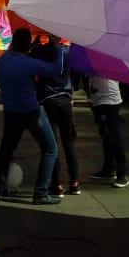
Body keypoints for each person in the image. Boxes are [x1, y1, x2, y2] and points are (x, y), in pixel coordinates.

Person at [0, 28, 65, 205]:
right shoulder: (29, 63)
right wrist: (57, 45)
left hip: (11, 112)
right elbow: (56, 69)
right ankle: (40, 192)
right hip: (32, 112)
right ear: (27, 44)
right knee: (50, 149)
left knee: (6, 151)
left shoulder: (4, 62)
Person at [32, 34, 81, 196]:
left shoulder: (41, 50)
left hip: (48, 100)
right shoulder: (68, 51)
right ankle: (75, 182)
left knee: (52, 145)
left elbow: (29, 54)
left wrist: (38, 38)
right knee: (69, 143)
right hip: (66, 100)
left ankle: (57, 184)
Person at [89, 77, 129, 188]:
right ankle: (108, 168)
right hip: (98, 99)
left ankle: (122, 173)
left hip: (110, 99)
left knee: (115, 137)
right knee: (105, 135)